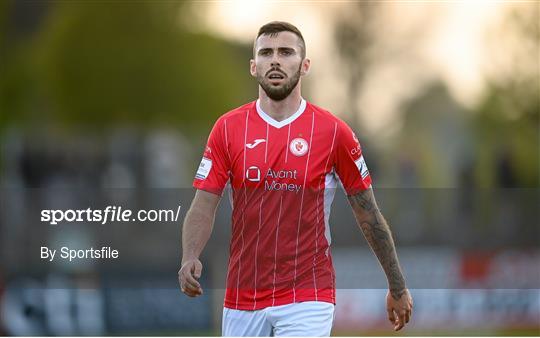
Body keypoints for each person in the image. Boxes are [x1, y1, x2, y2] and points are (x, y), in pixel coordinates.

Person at [178, 21, 413, 337]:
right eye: (266, 53)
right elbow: (204, 204)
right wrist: (189, 256)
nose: (275, 60)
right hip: (242, 295)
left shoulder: (333, 133)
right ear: (253, 66)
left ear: (304, 65)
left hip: (308, 293)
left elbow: (367, 212)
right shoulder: (227, 129)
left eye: (286, 52)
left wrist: (396, 285)